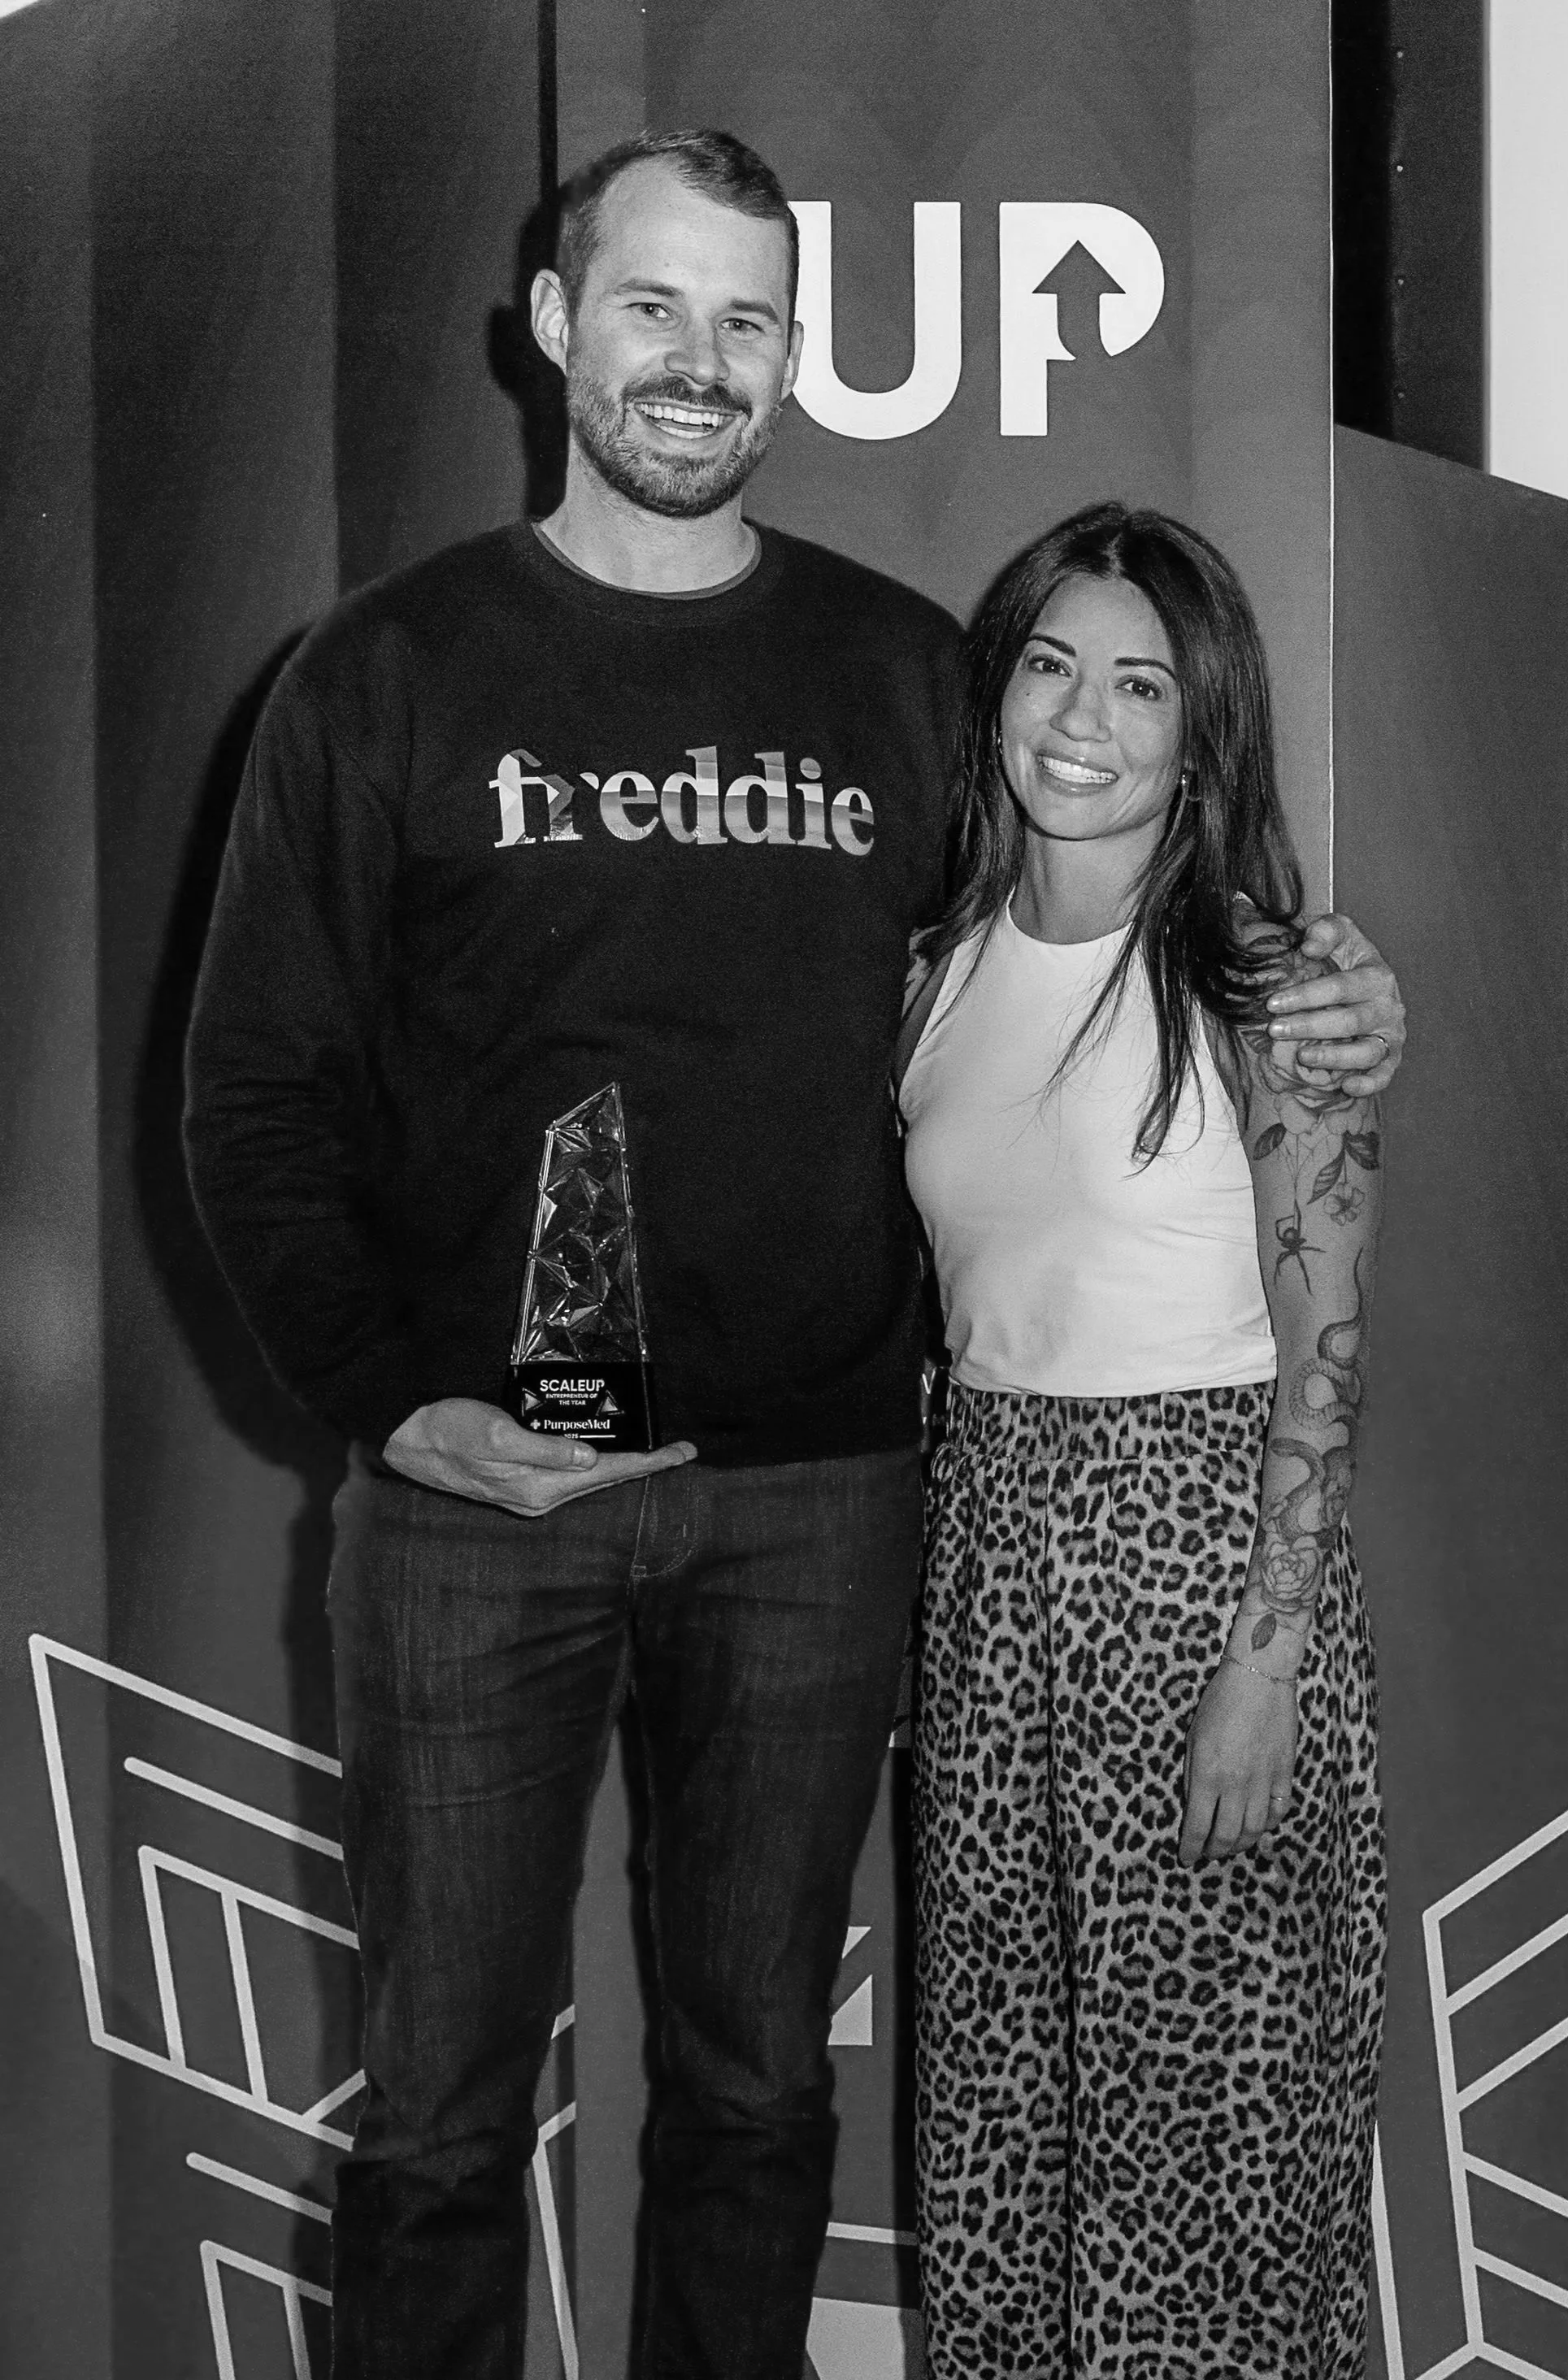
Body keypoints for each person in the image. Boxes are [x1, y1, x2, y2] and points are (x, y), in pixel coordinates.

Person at [183, 132, 1404, 2380]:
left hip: (827, 1508)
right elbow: (248, 1099)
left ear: (790, 360)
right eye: (654, 306)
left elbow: (1102, 909)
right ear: (555, 327)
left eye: (748, 319)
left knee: (761, 2094)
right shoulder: (381, 675)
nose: (700, 359)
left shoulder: (903, 676)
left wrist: (1325, 988)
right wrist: (396, 1401)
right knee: (445, 2114)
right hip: (478, 1514)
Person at [899, 502, 1387, 2378]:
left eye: (1138, 683)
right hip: (992, 1573)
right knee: (1006, 2114)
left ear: (1202, 735)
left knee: (1214, 2146)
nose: (1080, 718)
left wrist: (1263, 1670)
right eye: (1047, 663)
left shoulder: (1272, 989)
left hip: (1200, 1577)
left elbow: (1326, 1362)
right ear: (997, 687)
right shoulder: (933, 971)